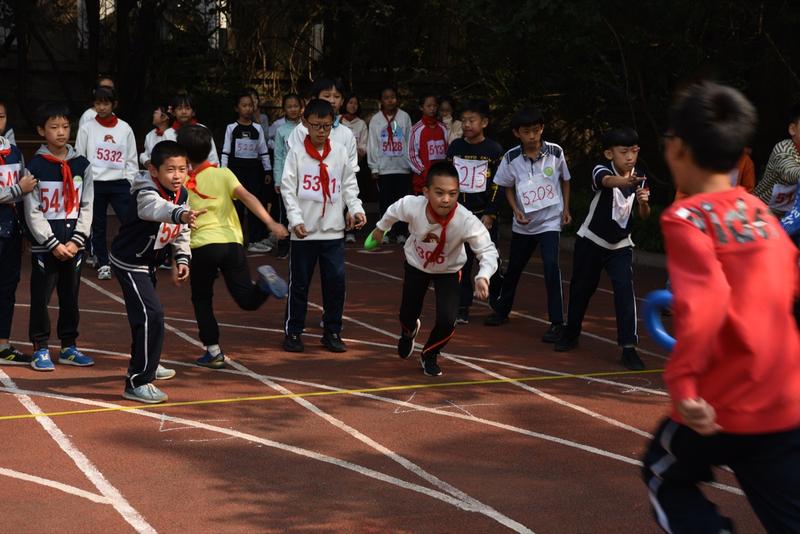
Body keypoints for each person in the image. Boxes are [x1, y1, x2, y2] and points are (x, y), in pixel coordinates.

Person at [642, 80, 800, 534]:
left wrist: (684, 382)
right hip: (782, 395)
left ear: (678, 150)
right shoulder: (761, 213)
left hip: (721, 398)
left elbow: (705, 301)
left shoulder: (687, 218)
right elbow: (787, 283)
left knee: (661, 475)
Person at [367, 161, 498, 376]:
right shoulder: (412, 205)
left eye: (453, 193)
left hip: (448, 270)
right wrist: (381, 229)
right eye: (439, 193)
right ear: (426, 192)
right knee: (407, 313)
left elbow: (487, 250)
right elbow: (392, 211)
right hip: (416, 265)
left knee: (448, 320)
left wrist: (483, 276)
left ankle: (430, 353)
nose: (446, 200)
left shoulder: (465, 220)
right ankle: (409, 332)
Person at [177, 125, 289, 369]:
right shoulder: (224, 174)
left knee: (202, 299)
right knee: (246, 300)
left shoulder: (181, 181)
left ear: (183, 154)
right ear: (210, 150)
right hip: (231, 244)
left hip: (202, 246)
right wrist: (271, 222)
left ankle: (214, 351)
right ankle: (263, 285)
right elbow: (248, 197)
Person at [110, 141, 206, 403]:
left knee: (146, 316)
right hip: (130, 261)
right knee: (152, 314)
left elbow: (181, 229)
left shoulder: (182, 194)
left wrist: (182, 256)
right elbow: (155, 209)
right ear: (154, 171)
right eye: (170, 170)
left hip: (149, 261)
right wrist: (181, 215)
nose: (177, 176)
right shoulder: (146, 191)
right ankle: (138, 381)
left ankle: (148, 362)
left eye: (182, 169)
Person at [555, 127, 650, 370]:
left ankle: (629, 348)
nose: (629, 157)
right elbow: (606, 182)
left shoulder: (640, 175)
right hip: (592, 241)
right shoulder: (602, 169)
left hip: (620, 245)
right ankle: (571, 332)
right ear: (609, 153)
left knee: (624, 292)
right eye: (623, 152)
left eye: (634, 151)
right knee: (582, 289)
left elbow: (643, 215)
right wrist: (625, 180)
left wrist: (643, 203)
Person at [280, 98, 366, 353]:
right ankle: (293, 332)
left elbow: (349, 185)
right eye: (316, 125)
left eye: (326, 126)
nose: (321, 131)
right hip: (304, 233)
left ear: (333, 125)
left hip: (333, 231)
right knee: (299, 285)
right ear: (305, 123)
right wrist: (295, 219)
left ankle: (332, 331)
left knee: (335, 284)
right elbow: (288, 189)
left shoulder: (339, 152)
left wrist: (356, 208)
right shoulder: (296, 152)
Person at [484, 108, 571, 345]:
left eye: (536, 130)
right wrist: (516, 210)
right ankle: (502, 310)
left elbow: (565, 180)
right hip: (524, 224)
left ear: (542, 129)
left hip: (550, 221)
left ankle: (556, 323)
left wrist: (565, 210)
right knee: (514, 269)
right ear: (517, 133)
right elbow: (506, 186)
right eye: (526, 132)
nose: (532, 136)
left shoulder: (555, 152)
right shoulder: (511, 158)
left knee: (552, 267)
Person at [24, 103, 95, 371]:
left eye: (65, 126)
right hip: (47, 247)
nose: (61, 132)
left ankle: (69, 347)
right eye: (54, 127)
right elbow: (33, 210)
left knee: (71, 297)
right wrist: (51, 242)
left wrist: (77, 240)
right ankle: (40, 347)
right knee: (41, 297)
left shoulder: (82, 165)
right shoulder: (35, 166)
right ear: (42, 131)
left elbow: (87, 205)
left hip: (73, 245)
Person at [445, 99, 504, 324]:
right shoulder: (456, 148)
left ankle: (497, 301)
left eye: (472, 120)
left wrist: (490, 213)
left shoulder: (494, 150)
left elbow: (499, 184)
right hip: (460, 213)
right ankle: (462, 306)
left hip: (483, 213)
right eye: (464, 120)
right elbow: (448, 178)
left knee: (490, 258)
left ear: (484, 122)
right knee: (462, 261)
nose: (467, 125)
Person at [75, 86, 137, 281]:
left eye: (105, 103)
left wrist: (129, 180)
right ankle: (103, 262)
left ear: (114, 104)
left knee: (129, 221)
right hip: (95, 184)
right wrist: (83, 183)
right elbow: (79, 156)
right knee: (98, 225)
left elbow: (131, 158)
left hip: (119, 183)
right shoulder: (86, 128)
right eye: (98, 103)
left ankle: (125, 257)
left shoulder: (125, 128)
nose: (101, 107)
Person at [0, 131, 37, 364]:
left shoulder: (13, 152)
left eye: (1, 115)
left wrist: (24, 228)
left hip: (10, 230)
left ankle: (3, 345)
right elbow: (20, 189)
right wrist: (17, 190)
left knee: (6, 289)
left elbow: (27, 190)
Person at [221, 90, 273, 253]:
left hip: (253, 172)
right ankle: (234, 239)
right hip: (235, 172)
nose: (248, 109)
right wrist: (223, 172)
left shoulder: (257, 128)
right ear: (237, 108)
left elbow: (263, 151)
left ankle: (255, 240)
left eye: (250, 105)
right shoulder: (231, 128)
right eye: (244, 105)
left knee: (253, 204)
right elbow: (225, 151)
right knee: (234, 205)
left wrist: (267, 171)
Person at [367, 86, 413, 243]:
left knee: (401, 202)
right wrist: (374, 166)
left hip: (402, 167)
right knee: (385, 202)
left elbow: (409, 140)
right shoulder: (376, 120)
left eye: (393, 97)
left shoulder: (404, 117)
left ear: (397, 99)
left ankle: (401, 232)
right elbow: (372, 144)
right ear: (381, 100)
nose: (390, 100)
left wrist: (410, 163)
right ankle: (384, 232)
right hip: (384, 169)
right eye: (386, 97)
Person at [271, 93, 303, 259]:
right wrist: (277, 179)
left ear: (301, 107)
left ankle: (302, 245)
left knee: (303, 211)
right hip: (286, 178)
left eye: (295, 106)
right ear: (284, 109)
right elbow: (278, 156)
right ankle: (283, 246)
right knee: (285, 213)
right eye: (289, 106)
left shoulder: (306, 128)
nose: (292, 109)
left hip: (304, 177)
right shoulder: (281, 130)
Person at [753, 104, 800, 218]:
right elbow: (790, 173)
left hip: (787, 219)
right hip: (759, 212)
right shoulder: (784, 148)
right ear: (793, 129)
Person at [408, 93, 448, 196]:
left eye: (435, 106)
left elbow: (447, 152)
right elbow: (411, 155)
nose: (432, 109)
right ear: (421, 107)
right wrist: (424, 172)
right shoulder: (416, 129)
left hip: (441, 181)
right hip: (423, 183)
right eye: (429, 106)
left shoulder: (443, 128)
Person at [341, 94, 369, 244]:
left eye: (355, 103)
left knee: (352, 196)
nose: (353, 106)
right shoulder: (338, 121)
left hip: (353, 166)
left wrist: (358, 150)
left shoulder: (361, 124)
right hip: (337, 166)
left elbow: (364, 145)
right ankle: (340, 229)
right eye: (350, 102)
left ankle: (351, 231)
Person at [170, 93, 219, 165]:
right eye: (179, 108)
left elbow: (212, 158)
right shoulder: (168, 133)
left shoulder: (202, 130)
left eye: (187, 108)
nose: (183, 112)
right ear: (173, 112)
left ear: (193, 112)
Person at [139, 103, 176, 168]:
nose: (153, 115)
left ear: (164, 117)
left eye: (156, 113)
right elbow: (145, 153)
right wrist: (146, 161)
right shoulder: (150, 134)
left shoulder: (173, 134)